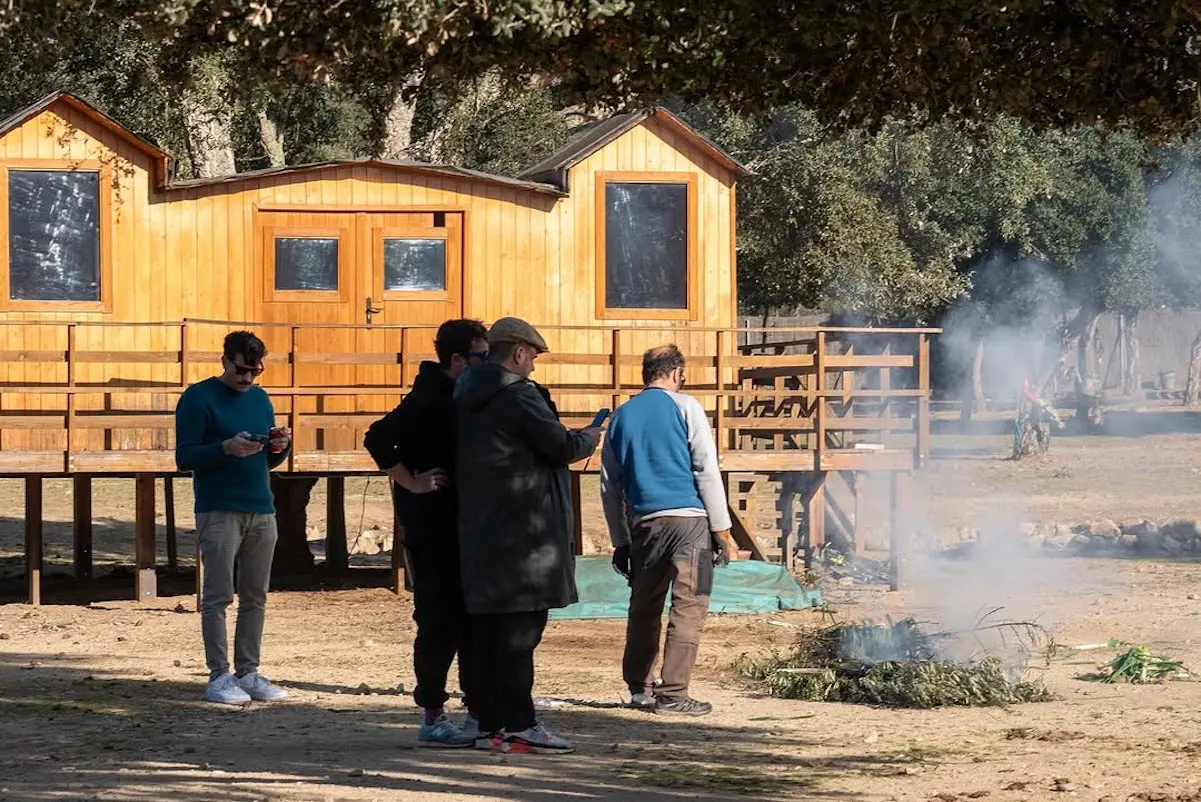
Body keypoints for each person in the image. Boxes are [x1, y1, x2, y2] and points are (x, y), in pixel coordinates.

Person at [453, 317, 601, 754]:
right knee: (521, 634)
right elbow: (561, 447)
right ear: (518, 352)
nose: (534, 366)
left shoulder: (466, 393)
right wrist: (588, 437)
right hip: (524, 536)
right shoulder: (519, 395)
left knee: (488, 636)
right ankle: (521, 723)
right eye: (533, 357)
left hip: (483, 531)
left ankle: (488, 724)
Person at [363, 318, 489, 748]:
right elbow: (377, 438)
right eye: (480, 356)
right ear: (458, 359)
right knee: (438, 622)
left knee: (475, 620)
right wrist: (412, 481)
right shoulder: (426, 398)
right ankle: (432, 714)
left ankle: (477, 708)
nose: (486, 363)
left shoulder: (467, 394)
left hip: (468, 529)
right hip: (432, 530)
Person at [600, 345, 733, 717]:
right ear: (676, 372)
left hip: (645, 525)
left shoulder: (621, 416)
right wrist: (721, 528)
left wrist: (620, 541)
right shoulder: (686, 406)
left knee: (644, 606)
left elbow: (610, 486)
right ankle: (674, 693)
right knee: (689, 607)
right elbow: (706, 468)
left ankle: (638, 688)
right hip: (689, 522)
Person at [175, 330, 292, 705]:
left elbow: (268, 460)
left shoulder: (260, 398)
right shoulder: (198, 397)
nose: (247, 379)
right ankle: (218, 675)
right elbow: (185, 457)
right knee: (218, 595)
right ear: (224, 361)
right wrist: (225, 447)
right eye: (241, 370)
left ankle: (249, 672)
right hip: (219, 508)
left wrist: (279, 448)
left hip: (261, 507)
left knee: (255, 595)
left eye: (254, 372)